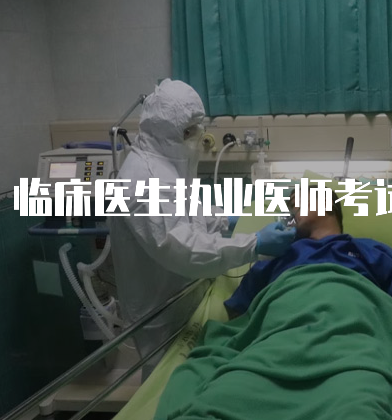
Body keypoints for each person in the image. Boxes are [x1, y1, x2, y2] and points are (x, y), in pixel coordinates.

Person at [108, 79, 295, 368]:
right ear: (166, 130)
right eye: (189, 130)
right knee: (165, 378)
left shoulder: (167, 164)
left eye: (197, 127)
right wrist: (254, 244)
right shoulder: (142, 179)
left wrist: (228, 221)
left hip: (186, 297)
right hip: (159, 312)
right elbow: (181, 247)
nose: (197, 136)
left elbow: (190, 211)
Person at [224, 188, 392, 320]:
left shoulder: (369, 250)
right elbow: (239, 310)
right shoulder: (275, 255)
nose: (291, 212)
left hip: (356, 333)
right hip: (282, 332)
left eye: (297, 203)